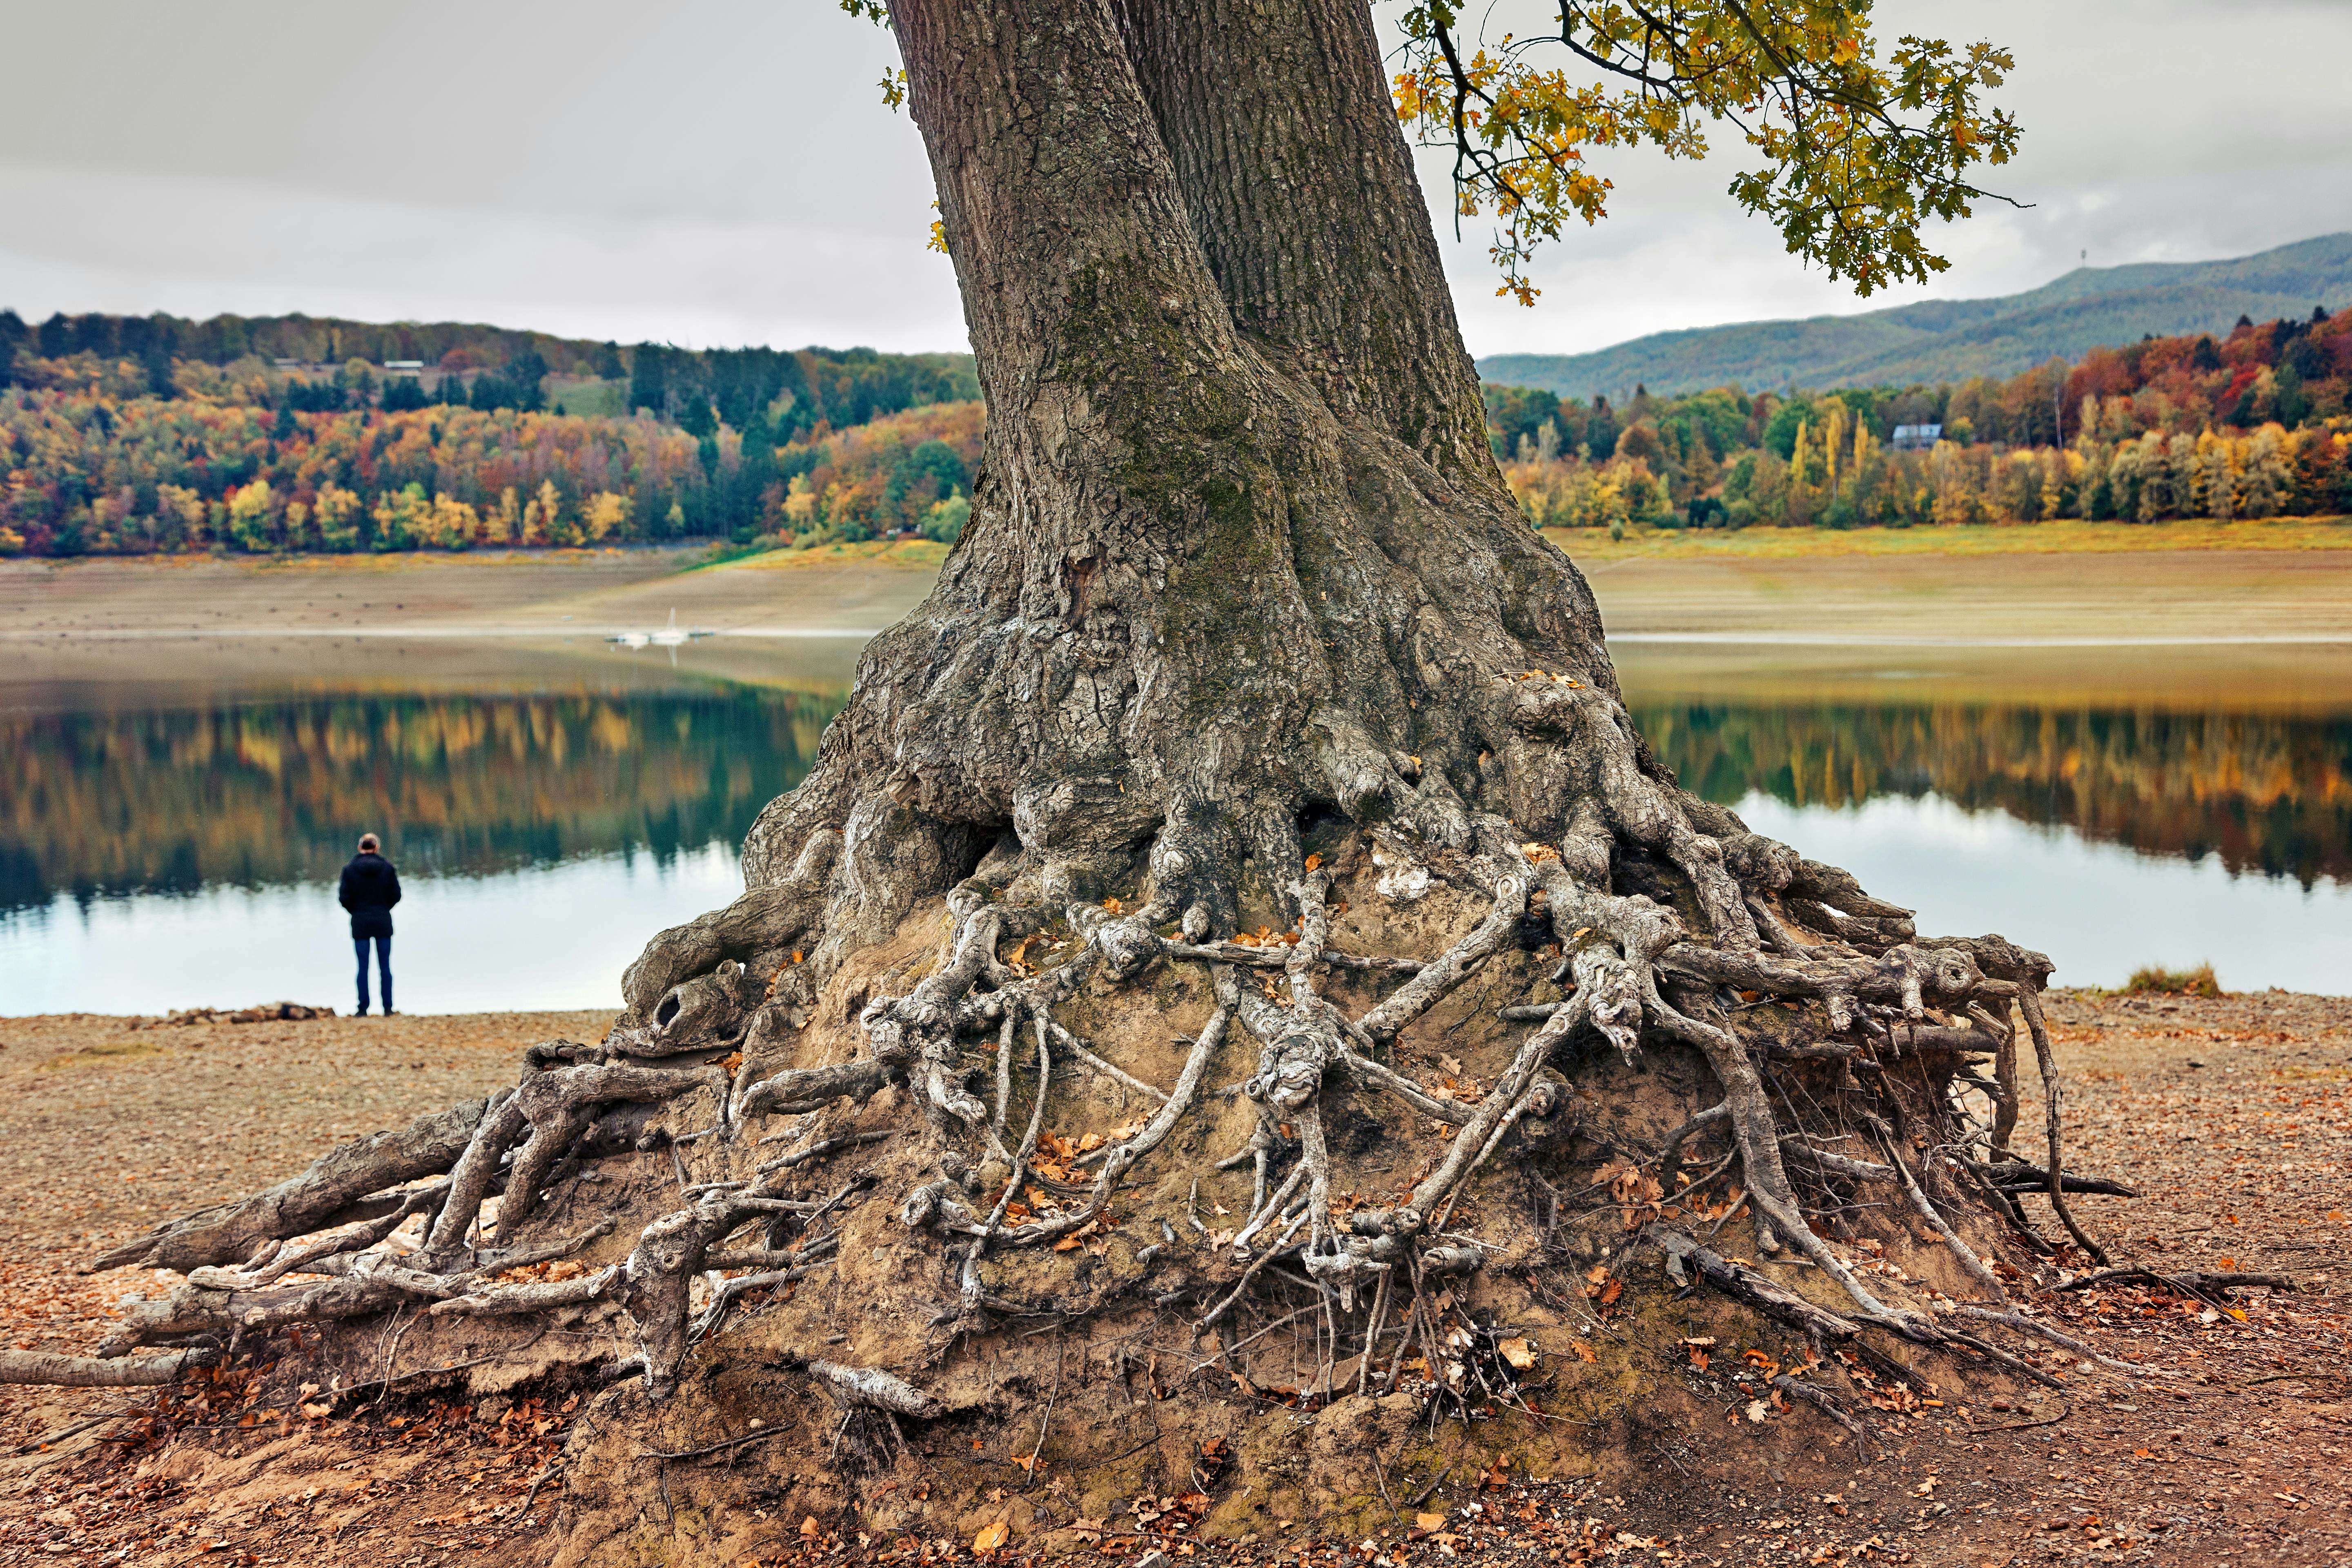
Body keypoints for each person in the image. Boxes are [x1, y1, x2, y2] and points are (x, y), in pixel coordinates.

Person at [338, 833, 402, 1016]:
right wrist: (384, 908)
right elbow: (396, 895)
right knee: (385, 967)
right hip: (383, 921)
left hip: (360, 922)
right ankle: (388, 1008)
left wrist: (356, 911)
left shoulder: (349, 870)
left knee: (362, 967)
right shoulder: (387, 868)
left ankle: (362, 1008)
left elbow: (344, 898)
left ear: (360, 848)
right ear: (376, 848)